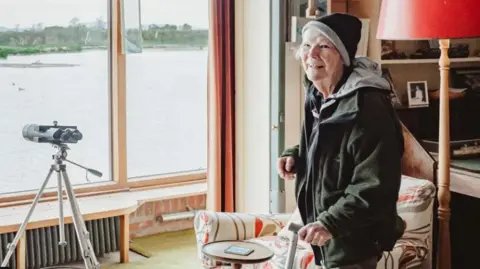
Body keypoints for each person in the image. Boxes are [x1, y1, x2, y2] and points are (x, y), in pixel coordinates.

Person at [277, 13, 405, 269]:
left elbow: (375, 186)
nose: (311, 54)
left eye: (324, 46)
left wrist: (331, 223)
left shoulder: (368, 106)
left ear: (343, 56)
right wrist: (296, 154)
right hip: (328, 232)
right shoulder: (318, 92)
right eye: (306, 45)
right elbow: (326, 144)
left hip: (354, 239)